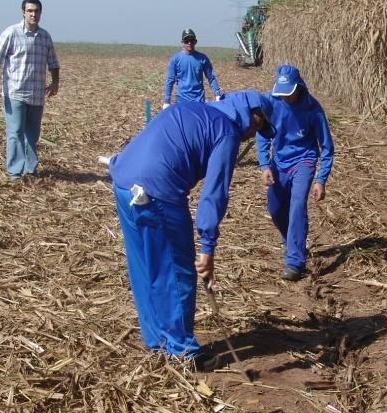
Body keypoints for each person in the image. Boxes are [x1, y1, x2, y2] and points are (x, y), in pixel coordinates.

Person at [108, 91, 275, 364]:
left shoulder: (195, 109)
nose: (251, 136)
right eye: (258, 128)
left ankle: (156, 340)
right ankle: (181, 351)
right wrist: (207, 248)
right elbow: (214, 194)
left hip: (124, 182)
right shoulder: (227, 132)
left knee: (145, 265)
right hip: (157, 192)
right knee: (177, 271)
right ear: (254, 116)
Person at [255, 65, 335, 281]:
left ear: (298, 87)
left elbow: (326, 146)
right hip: (278, 162)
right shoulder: (272, 103)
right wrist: (264, 166)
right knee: (275, 208)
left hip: (304, 161)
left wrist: (321, 179)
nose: (285, 98)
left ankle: (294, 261)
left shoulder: (313, 109)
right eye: (282, 93)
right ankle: (290, 240)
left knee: (297, 205)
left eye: (289, 93)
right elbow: (262, 135)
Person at [0, 0, 60, 181]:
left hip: (37, 94)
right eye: (29, 11)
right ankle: (14, 171)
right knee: (15, 132)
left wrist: (55, 82)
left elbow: (53, 62)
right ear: (23, 13)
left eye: (36, 11)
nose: (33, 14)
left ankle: (31, 169)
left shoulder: (45, 36)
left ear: (41, 13)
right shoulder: (11, 33)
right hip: (15, 92)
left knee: (33, 134)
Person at [162, 29, 222, 107]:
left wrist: (217, 94)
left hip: (199, 101)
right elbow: (170, 80)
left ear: (195, 41)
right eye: (186, 40)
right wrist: (167, 101)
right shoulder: (175, 59)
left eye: (191, 40)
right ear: (182, 42)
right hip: (181, 101)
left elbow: (211, 78)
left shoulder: (203, 59)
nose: (189, 43)